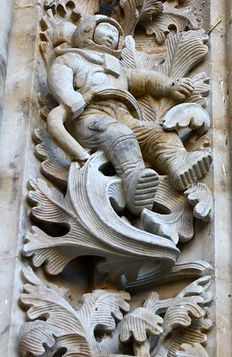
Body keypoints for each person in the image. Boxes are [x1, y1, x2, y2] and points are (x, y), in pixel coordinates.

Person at [47, 15, 212, 214]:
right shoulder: (73, 58)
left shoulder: (119, 68)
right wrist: (68, 96)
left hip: (124, 114)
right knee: (119, 134)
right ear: (87, 31)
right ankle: (134, 181)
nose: (111, 36)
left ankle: (178, 163)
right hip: (90, 116)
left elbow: (145, 79)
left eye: (115, 34)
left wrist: (169, 86)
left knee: (157, 132)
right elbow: (59, 75)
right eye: (105, 30)